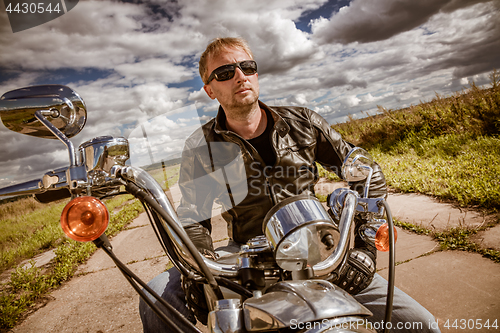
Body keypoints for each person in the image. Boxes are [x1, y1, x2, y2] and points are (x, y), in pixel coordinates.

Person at [139, 37, 440, 333]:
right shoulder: (201, 145)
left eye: (247, 66)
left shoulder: (304, 122)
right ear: (209, 89)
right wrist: (198, 269)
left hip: (319, 248)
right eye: (226, 73)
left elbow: (365, 173)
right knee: (157, 294)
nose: (240, 76)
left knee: (422, 325)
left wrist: (363, 250)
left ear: (256, 74)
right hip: (247, 254)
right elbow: (193, 217)